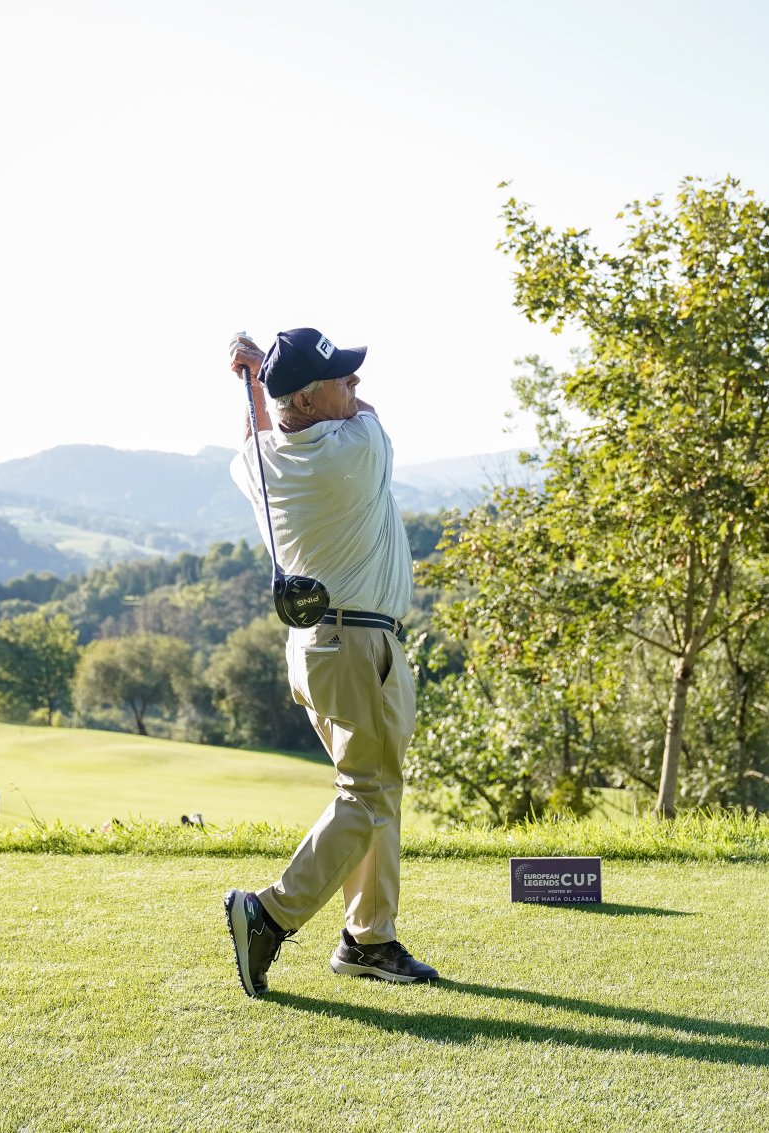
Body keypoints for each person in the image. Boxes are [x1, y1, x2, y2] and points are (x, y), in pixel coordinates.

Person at [221, 328, 438, 997]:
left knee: (373, 791)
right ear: (311, 402)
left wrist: (261, 380)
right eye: (344, 379)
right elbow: (363, 413)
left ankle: (368, 939)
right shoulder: (360, 446)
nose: (357, 386)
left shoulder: (259, 463)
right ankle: (271, 913)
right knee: (366, 793)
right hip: (359, 645)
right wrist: (261, 374)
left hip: (316, 648)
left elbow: (263, 429)